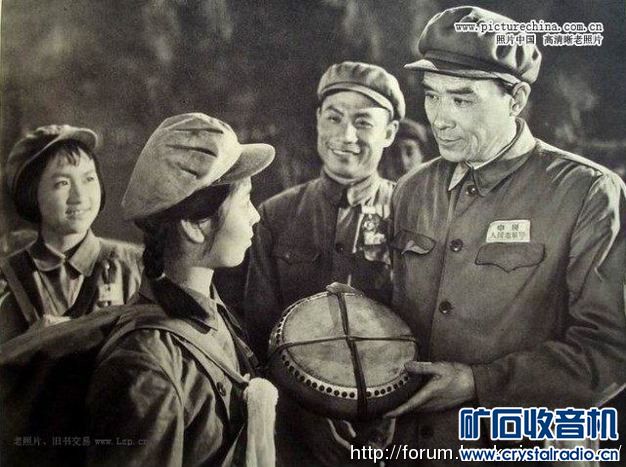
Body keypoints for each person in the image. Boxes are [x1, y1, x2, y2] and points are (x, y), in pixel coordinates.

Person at [385, 6, 626, 464]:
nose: (440, 118)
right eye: (432, 96)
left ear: (516, 99)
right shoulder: (412, 189)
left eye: (462, 100)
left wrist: (479, 383)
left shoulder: (587, 192)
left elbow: (610, 351)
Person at [86, 113, 276, 466]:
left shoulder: (212, 315)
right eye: (244, 201)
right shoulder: (145, 366)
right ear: (193, 225)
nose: (255, 215)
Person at [245, 61, 404, 465]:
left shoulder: (410, 216)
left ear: (389, 133)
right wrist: (305, 416)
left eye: (363, 123)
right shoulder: (275, 216)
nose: (346, 136)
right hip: (295, 431)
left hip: (392, 433)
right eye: (334, 118)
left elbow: (423, 330)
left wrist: (386, 421)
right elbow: (256, 332)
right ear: (318, 120)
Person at [0, 125, 142, 344]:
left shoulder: (136, 266)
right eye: (62, 183)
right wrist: (26, 344)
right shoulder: (8, 280)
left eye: (89, 179)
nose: (79, 196)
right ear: (31, 193)